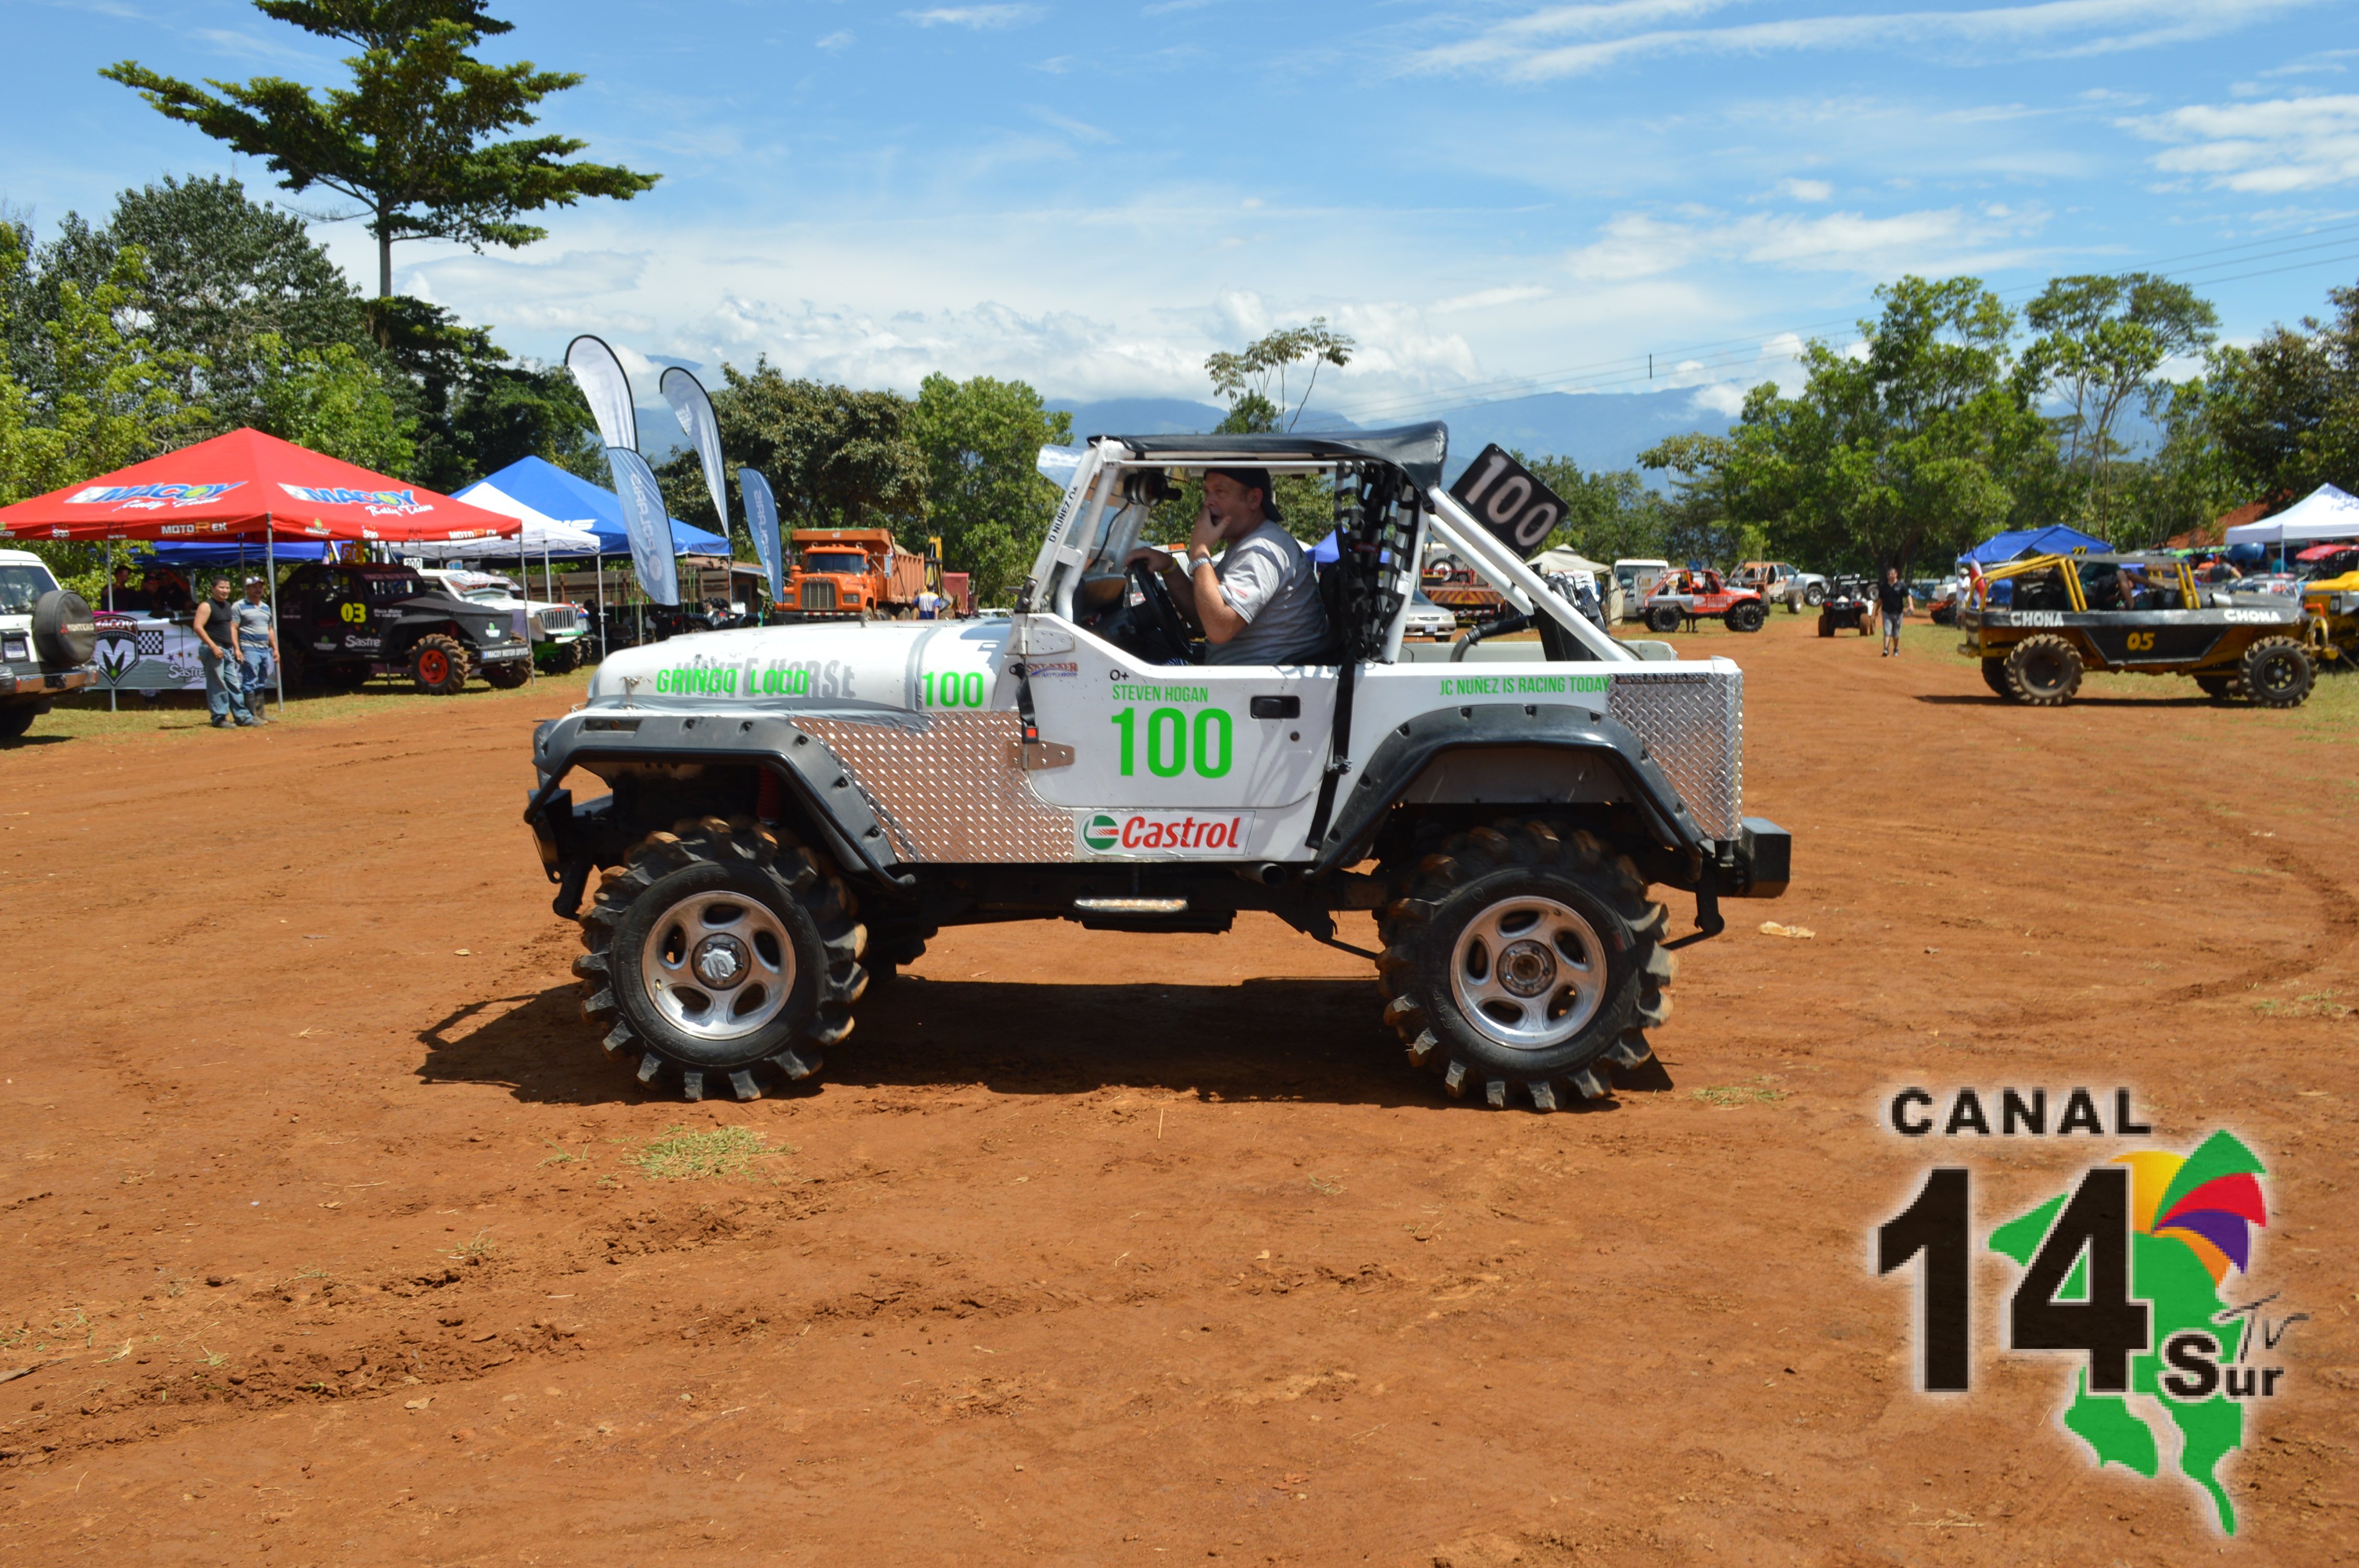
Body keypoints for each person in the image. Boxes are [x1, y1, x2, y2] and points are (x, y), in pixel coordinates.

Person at [1125, 467, 1329, 665]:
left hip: (1258, 682)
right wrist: (1171, 568)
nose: (1208, 502)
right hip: (1245, 679)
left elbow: (1219, 629)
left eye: (1220, 492)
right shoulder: (1246, 545)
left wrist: (1200, 550)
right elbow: (1203, 619)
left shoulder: (1260, 550)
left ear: (1254, 499)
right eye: (1207, 492)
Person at [193, 577, 255, 727]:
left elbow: (231, 629)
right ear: (213, 589)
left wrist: (236, 648)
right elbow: (198, 627)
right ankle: (219, 718)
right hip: (213, 650)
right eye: (222, 588)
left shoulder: (227, 606)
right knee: (217, 684)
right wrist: (213, 647)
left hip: (227, 650)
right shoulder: (206, 606)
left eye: (228, 588)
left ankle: (243, 717)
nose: (225, 591)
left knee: (234, 684)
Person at [233, 576, 278, 721]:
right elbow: (233, 628)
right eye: (254, 587)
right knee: (249, 681)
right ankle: (251, 715)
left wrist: (275, 649)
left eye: (261, 587)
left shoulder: (266, 607)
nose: (258, 589)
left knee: (262, 681)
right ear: (247, 589)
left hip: (265, 649)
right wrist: (237, 649)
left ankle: (261, 713)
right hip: (249, 649)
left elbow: (270, 629)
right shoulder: (238, 606)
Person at [1877, 567, 1911, 657]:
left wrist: (1911, 606)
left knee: (1896, 634)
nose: (1890, 576)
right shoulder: (1884, 587)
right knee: (1887, 631)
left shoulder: (1901, 585)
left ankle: (1896, 649)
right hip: (1886, 612)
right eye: (1888, 574)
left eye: (1892, 574)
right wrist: (1876, 610)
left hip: (1898, 613)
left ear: (1896, 574)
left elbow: (1908, 596)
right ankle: (1886, 650)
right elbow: (1880, 599)